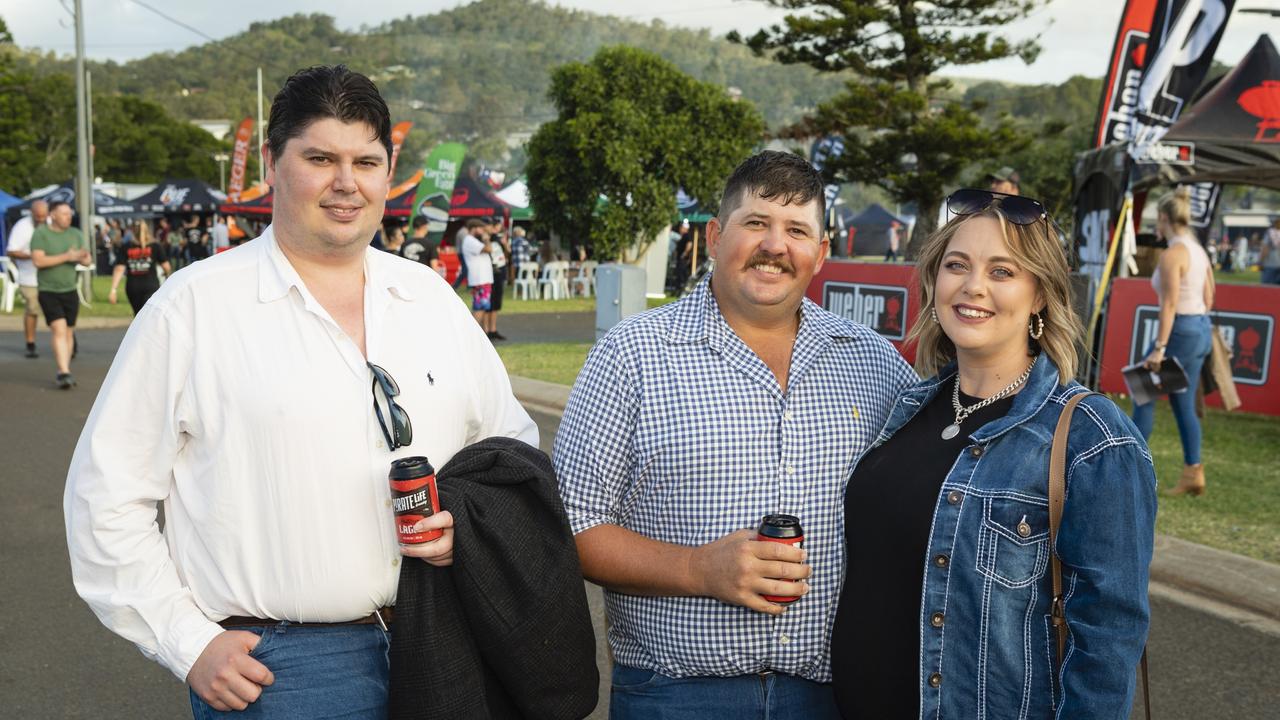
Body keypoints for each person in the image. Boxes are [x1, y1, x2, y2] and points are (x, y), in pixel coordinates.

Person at [64, 64, 537, 719]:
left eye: (366, 162)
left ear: (388, 169)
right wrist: (188, 641)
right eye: (320, 158)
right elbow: (103, 500)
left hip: (445, 639)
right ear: (272, 161)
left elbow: (511, 447)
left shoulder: (430, 300)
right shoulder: (193, 309)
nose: (346, 183)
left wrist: (470, 526)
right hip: (287, 670)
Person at [554, 151, 916, 719]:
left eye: (797, 230)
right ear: (717, 236)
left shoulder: (877, 365)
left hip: (835, 694)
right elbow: (571, 525)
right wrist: (698, 569)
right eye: (756, 223)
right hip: (676, 695)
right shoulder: (631, 355)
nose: (775, 245)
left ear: (820, 254)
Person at [832, 187, 1156, 718]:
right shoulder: (907, 407)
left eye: (1002, 272)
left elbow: (1108, 639)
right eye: (957, 265)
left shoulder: (1093, 440)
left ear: (1041, 296)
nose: (973, 286)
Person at [1133, 189, 1214, 496]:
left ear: (1164, 218)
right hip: (1199, 328)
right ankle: (1194, 472)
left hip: (1180, 331)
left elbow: (1168, 305)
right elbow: (1209, 297)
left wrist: (1159, 348)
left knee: (1143, 391)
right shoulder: (1198, 250)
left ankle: (1131, 468)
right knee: (1182, 403)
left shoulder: (1173, 254)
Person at [30, 201, 90, 389]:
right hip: (48, 290)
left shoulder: (76, 234)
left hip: (69, 289)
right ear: (53, 215)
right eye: (63, 213)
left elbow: (87, 260)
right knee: (59, 329)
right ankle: (64, 371)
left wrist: (82, 257)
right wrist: (66, 256)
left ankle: (64, 370)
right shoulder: (41, 234)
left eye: (69, 213)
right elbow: (38, 261)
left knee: (69, 331)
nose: (68, 216)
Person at [4, 199, 48, 358]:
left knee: (57, 311)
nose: (41, 219)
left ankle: (69, 341)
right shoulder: (22, 227)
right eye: (38, 216)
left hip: (50, 276)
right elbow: (11, 251)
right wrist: (31, 256)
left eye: (44, 215)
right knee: (33, 309)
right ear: (32, 213)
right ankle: (30, 343)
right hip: (29, 277)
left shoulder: (51, 223)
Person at [109, 220, 171, 314]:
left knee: (138, 316)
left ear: (133, 231)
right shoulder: (155, 246)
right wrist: (166, 274)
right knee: (149, 316)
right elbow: (166, 266)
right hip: (151, 285)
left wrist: (113, 290)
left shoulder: (126, 246)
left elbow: (119, 269)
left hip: (133, 287)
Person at [460, 218, 493, 330]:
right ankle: (472, 332)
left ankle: (484, 332)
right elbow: (488, 249)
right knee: (479, 307)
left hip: (482, 279)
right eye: (481, 228)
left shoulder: (472, 240)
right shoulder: (470, 240)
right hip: (480, 279)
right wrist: (486, 239)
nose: (483, 230)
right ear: (474, 229)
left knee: (483, 307)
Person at [485, 217, 509, 340]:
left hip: (500, 271)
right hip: (491, 272)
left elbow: (507, 252)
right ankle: (486, 330)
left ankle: (493, 329)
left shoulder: (498, 239)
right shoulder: (485, 239)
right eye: (496, 226)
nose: (496, 229)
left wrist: (505, 244)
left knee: (496, 302)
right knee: (489, 303)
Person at [1261, 218, 1280, 285]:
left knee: (1266, 288)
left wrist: (1261, 261)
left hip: (1271, 263)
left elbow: (1265, 248)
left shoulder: (1270, 232)